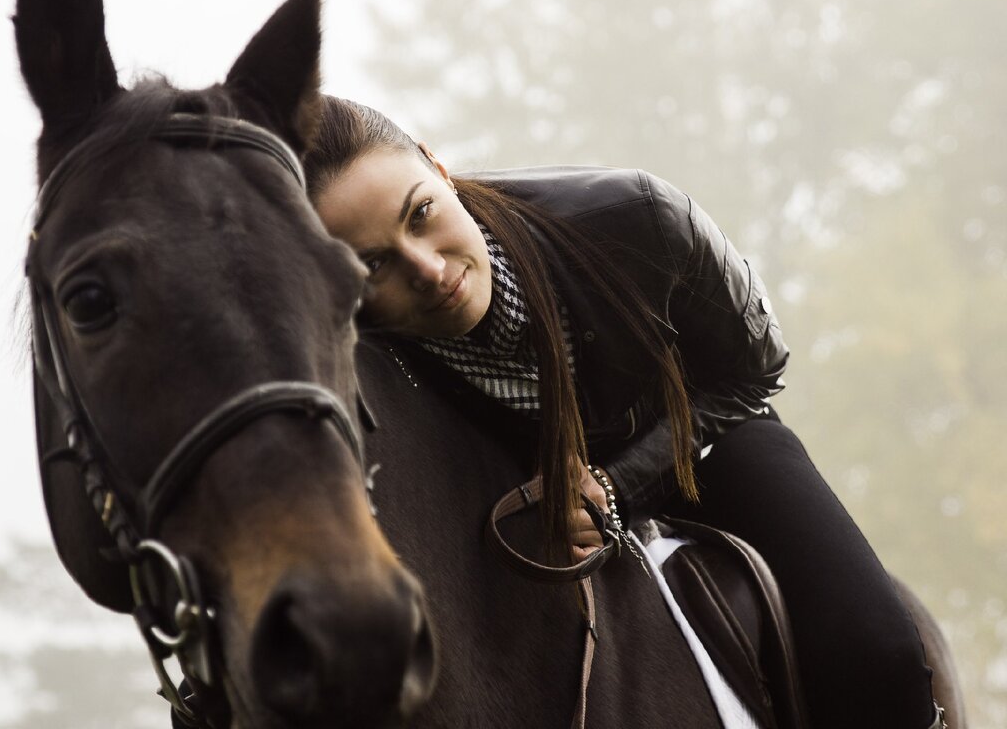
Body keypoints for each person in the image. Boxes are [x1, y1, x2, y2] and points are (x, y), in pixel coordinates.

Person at [301, 95, 942, 729]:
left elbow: (756, 366)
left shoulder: (636, 215)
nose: (428, 269)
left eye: (421, 215)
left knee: (877, 647)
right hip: (526, 512)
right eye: (374, 263)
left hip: (708, 445)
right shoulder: (357, 346)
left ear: (439, 168)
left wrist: (616, 485)